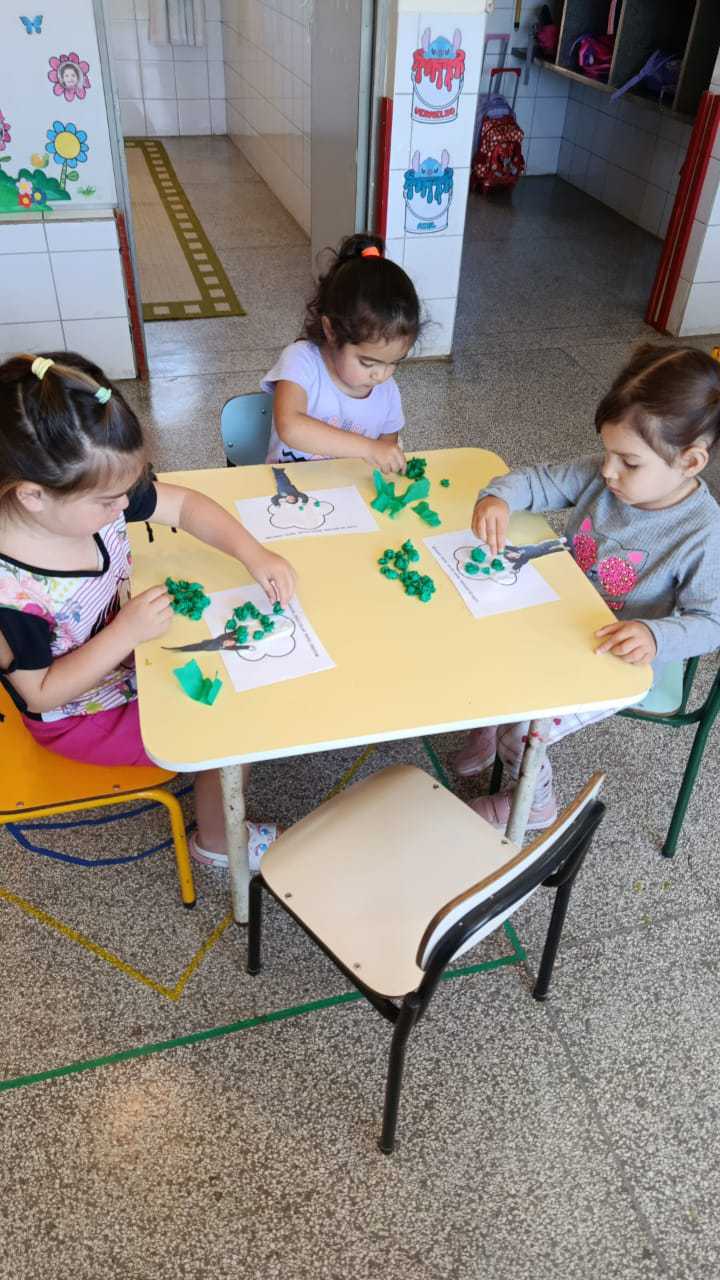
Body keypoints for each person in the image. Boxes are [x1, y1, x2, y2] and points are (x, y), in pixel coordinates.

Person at [0, 352, 297, 869]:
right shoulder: (11, 594)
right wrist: (126, 633)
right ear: (33, 496)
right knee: (230, 728)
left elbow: (183, 505)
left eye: (125, 493)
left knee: (234, 673)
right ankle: (216, 843)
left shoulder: (91, 493)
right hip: (79, 715)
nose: (125, 506)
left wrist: (254, 553)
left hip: (125, 652)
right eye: (109, 502)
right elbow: (40, 692)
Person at [453, 343, 720, 829]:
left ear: (691, 461)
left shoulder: (702, 533)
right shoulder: (608, 475)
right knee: (479, 639)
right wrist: (497, 498)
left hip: (619, 658)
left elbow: (712, 622)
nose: (607, 470)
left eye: (629, 462)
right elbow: (538, 481)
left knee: (522, 732)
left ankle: (535, 804)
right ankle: (487, 728)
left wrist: (655, 635)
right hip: (563, 618)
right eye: (607, 452)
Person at [261, 233, 420, 473]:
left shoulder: (387, 392)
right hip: (286, 486)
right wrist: (369, 448)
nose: (381, 375)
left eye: (395, 362)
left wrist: (386, 456)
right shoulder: (301, 361)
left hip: (350, 490)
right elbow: (290, 426)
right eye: (368, 363)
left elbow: (385, 452)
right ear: (331, 331)